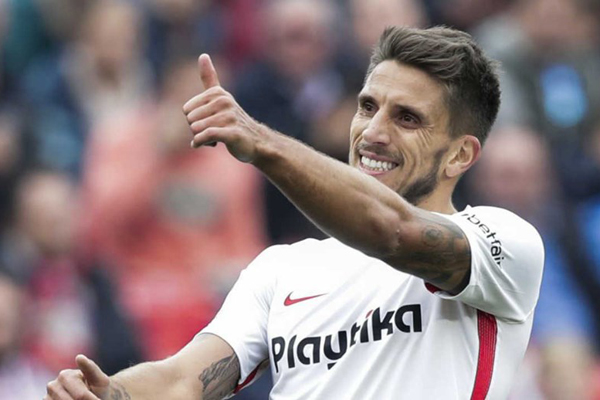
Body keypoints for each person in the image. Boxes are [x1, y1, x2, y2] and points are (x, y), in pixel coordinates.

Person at [46, 26, 545, 400]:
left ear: (460, 155)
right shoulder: (282, 269)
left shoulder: (501, 243)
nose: (373, 132)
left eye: (407, 118)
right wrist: (112, 394)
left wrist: (261, 142)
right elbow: (183, 381)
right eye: (367, 107)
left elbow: (393, 230)